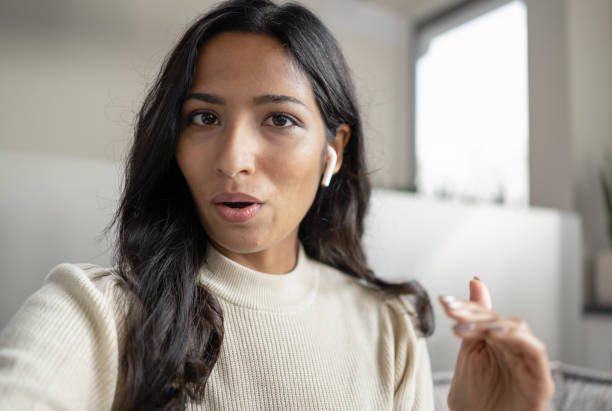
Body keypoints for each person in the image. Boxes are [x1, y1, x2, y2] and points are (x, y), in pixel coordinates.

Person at [0, 0, 554, 410]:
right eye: (204, 118)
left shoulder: (388, 326)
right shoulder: (96, 312)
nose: (233, 158)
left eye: (280, 119)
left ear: (332, 152)